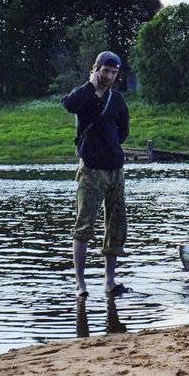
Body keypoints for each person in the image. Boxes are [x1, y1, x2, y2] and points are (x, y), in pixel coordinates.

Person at [62, 51, 130, 301]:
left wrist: (109, 147)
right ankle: (80, 284)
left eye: (114, 73)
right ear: (96, 69)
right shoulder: (85, 96)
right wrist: (91, 85)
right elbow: (68, 104)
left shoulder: (118, 100)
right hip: (91, 170)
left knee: (116, 225)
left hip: (115, 169)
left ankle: (110, 281)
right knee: (84, 226)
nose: (110, 76)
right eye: (106, 71)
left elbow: (123, 131)